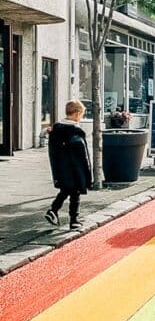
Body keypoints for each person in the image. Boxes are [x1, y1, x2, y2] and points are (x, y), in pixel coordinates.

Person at [45, 99, 92, 231]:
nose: (81, 118)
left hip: (61, 168)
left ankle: (53, 211)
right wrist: (87, 174)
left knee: (65, 190)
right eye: (81, 115)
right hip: (74, 168)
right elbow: (81, 155)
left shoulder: (56, 129)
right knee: (75, 194)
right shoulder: (75, 132)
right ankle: (74, 220)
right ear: (77, 114)